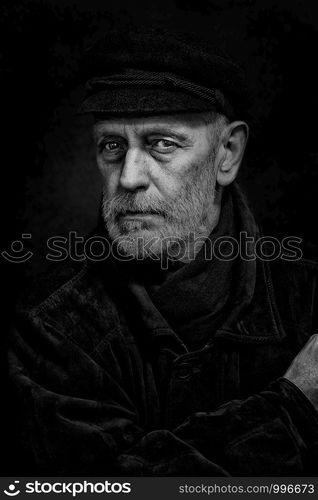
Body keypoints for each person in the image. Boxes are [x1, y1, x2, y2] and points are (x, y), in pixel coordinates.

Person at [8, 27, 318, 476]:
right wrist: (293, 411)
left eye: (162, 144)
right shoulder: (50, 327)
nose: (130, 176)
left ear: (227, 153)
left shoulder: (308, 293)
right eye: (112, 146)